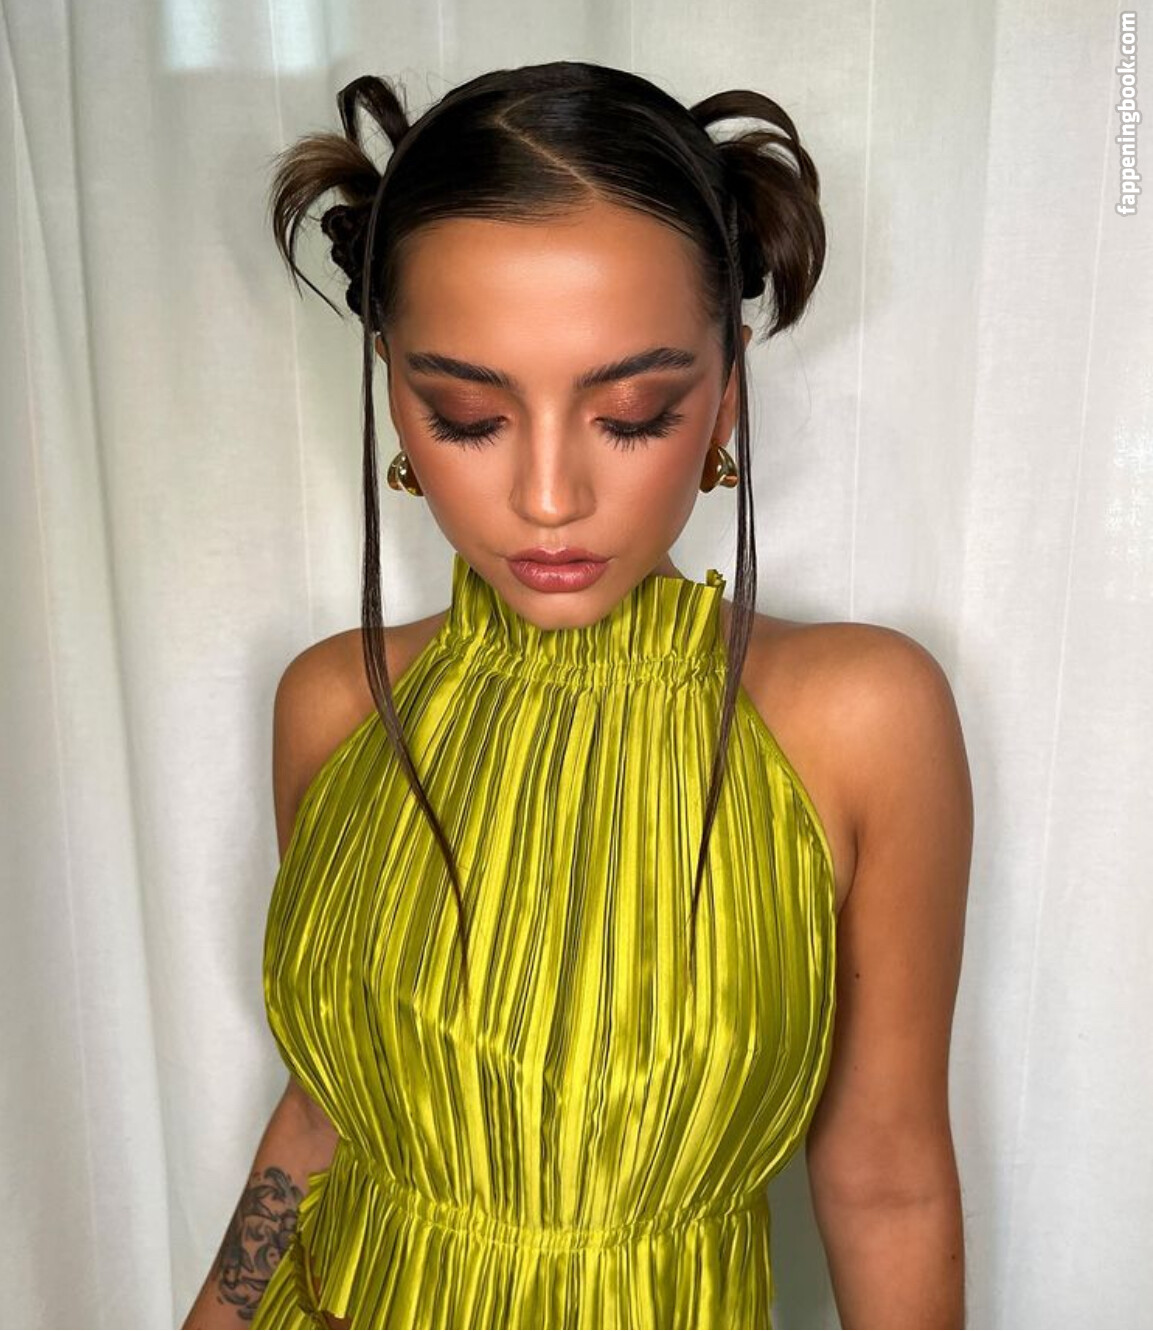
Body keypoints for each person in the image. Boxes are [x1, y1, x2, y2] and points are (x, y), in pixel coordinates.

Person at [182, 60, 971, 1331]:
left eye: (632, 413)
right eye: (468, 415)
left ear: (725, 391)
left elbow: (886, 1183)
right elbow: (328, 1106)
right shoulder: (335, 704)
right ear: (393, 391)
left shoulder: (860, 720)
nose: (549, 497)